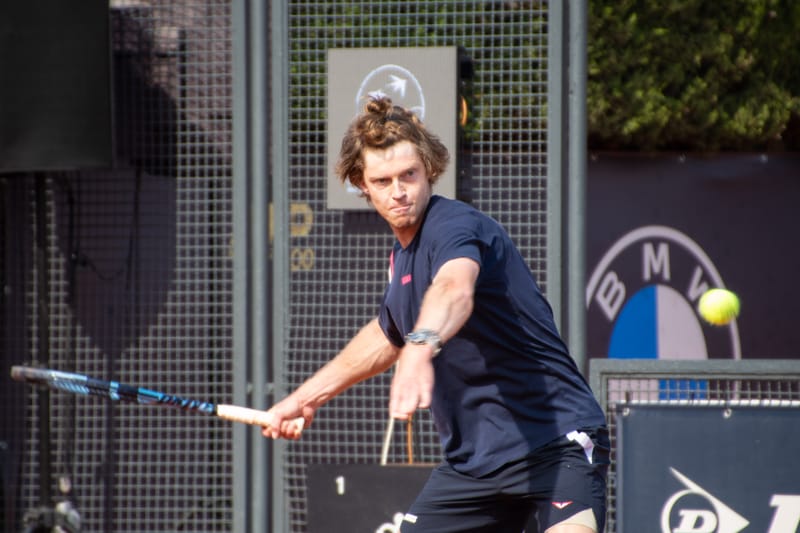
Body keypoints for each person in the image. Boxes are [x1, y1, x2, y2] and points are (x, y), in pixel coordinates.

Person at [261, 97, 609, 533]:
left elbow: (454, 289)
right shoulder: (401, 258)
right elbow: (387, 335)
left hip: (554, 441)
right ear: (361, 184)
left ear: (428, 168)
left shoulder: (455, 225)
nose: (399, 191)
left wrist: (421, 345)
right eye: (383, 180)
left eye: (409, 174)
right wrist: (306, 398)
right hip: (473, 465)